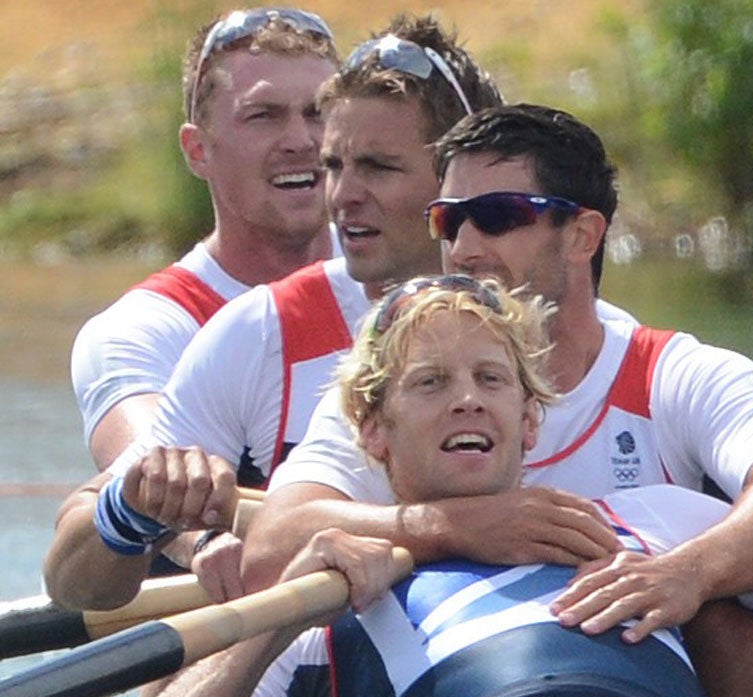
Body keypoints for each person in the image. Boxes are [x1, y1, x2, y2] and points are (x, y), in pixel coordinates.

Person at [91, 278, 753, 697]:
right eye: (430, 384)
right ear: (374, 429)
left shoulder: (665, 523)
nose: (467, 398)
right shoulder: (330, 580)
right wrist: (269, 620)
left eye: (492, 378)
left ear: (529, 417)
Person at [240, 104, 753, 697]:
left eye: (500, 215)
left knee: (742, 641)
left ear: (582, 234)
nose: (465, 246)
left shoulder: (676, 375)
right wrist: (454, 526)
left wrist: (691, 574)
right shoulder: (388, 388)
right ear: (380, 425)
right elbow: (271, 547)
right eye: (448, 220)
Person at [45, 14, 506, 609]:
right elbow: (169, 482)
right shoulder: (165, 329)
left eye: (316, 114)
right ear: (198, 149)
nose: (304, 143)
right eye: (265, 116)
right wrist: (200, 535)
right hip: (267, 619)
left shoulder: (514, 308)